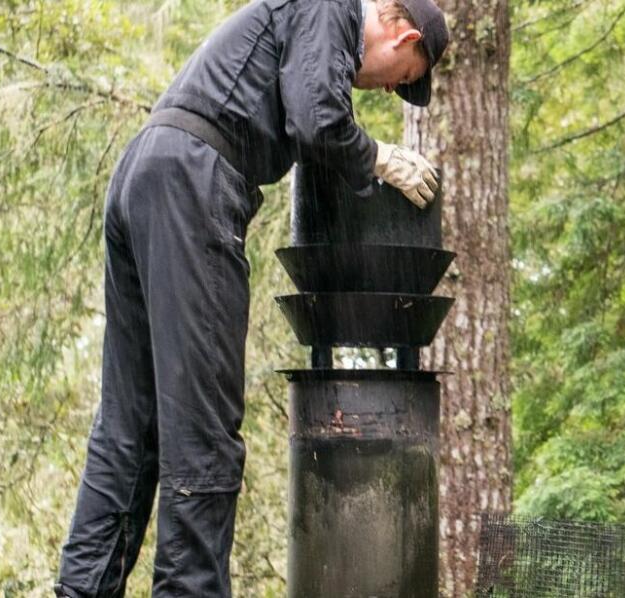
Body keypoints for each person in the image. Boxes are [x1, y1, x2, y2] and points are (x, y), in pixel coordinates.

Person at [54, 0, 449, 595]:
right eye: (405, 77)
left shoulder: (311, 26)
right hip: (193, 182)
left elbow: (308, 117)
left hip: (147, 172)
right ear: (404, 36)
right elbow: (318, 121)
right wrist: (380, 158)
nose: (391, 89)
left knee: (130, 425)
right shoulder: (333, 8)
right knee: (204, 430)